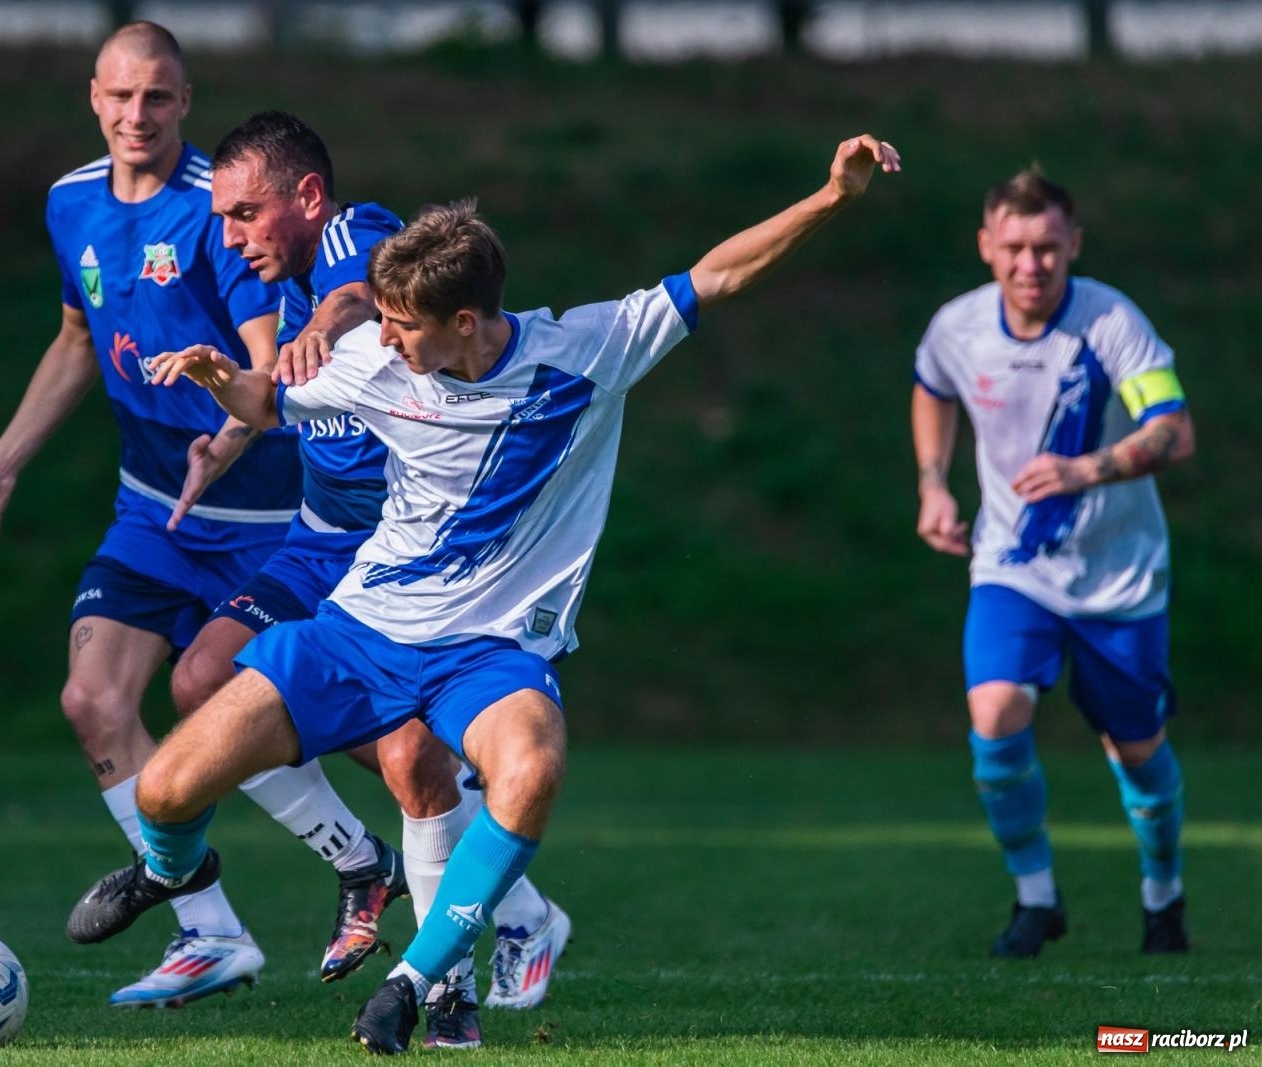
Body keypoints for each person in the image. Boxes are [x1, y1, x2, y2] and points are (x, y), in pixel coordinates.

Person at [67, 134, 900, 1052]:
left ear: (465, 320)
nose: (380, 338)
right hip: (362, 628)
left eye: (399, 323)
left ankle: (420, 983)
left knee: (527, 767)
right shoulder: (380, 363)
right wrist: (222, 377)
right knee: (169, 791)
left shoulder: (584, 351)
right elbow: (270, 406)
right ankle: (175, 874)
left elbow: (719, 275)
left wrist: (832, 196)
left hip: (493, 648)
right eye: (378, 319)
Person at [0, 22, 397, 1009]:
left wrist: (229, 429)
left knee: (357, 725)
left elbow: (274, 364)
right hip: (152, 508)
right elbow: (74, 334)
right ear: (91, 96)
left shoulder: (217, 212)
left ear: (186, 103)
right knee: (94, 699)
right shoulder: (70, 204)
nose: (136, 115)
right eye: (119, 96)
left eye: (158, 98)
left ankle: (480, 880)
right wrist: (3, 463)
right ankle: (209, 931)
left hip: (270, 514)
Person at [160, 110, 569, 1047]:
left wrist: (330, 321)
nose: (232, 236)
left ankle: (487, 939)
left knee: (411, 758)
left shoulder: (357, 238)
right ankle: (363, 866)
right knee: (202, 679)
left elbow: (358, 299)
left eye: (245, 213)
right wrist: (226, 437)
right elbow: (286, 396)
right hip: (321, 541)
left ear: (306, 197)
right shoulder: (285, 277)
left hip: (392, 555)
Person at [911, 167, 1195, 958]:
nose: (1030, 264)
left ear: (1073, 244)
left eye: (1046, 247)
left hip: (1119, 574)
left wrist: (1084, 468)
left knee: (1137, 748)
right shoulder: (957, 327)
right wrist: (934, 483)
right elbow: (930, 385)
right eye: (1014, 248)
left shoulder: (1113, 323)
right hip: (1013, 564)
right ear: (985, 248)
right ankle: (1037, 896)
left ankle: (1163, 892)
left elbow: (1175, 429)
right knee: (995, 717)